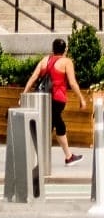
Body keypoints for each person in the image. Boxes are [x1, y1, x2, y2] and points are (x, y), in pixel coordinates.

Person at [23, 38, 88, 166]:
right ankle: (64, 157)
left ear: (53, 49)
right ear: (65, 49)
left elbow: (33, 77)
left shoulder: (44, 60)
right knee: (54, 126)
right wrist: (81, 98)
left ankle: (64, 156)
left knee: (54, 125)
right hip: (57, 99)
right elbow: (72, 82)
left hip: (43, 99)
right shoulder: (66, 62)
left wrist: (24, 94)